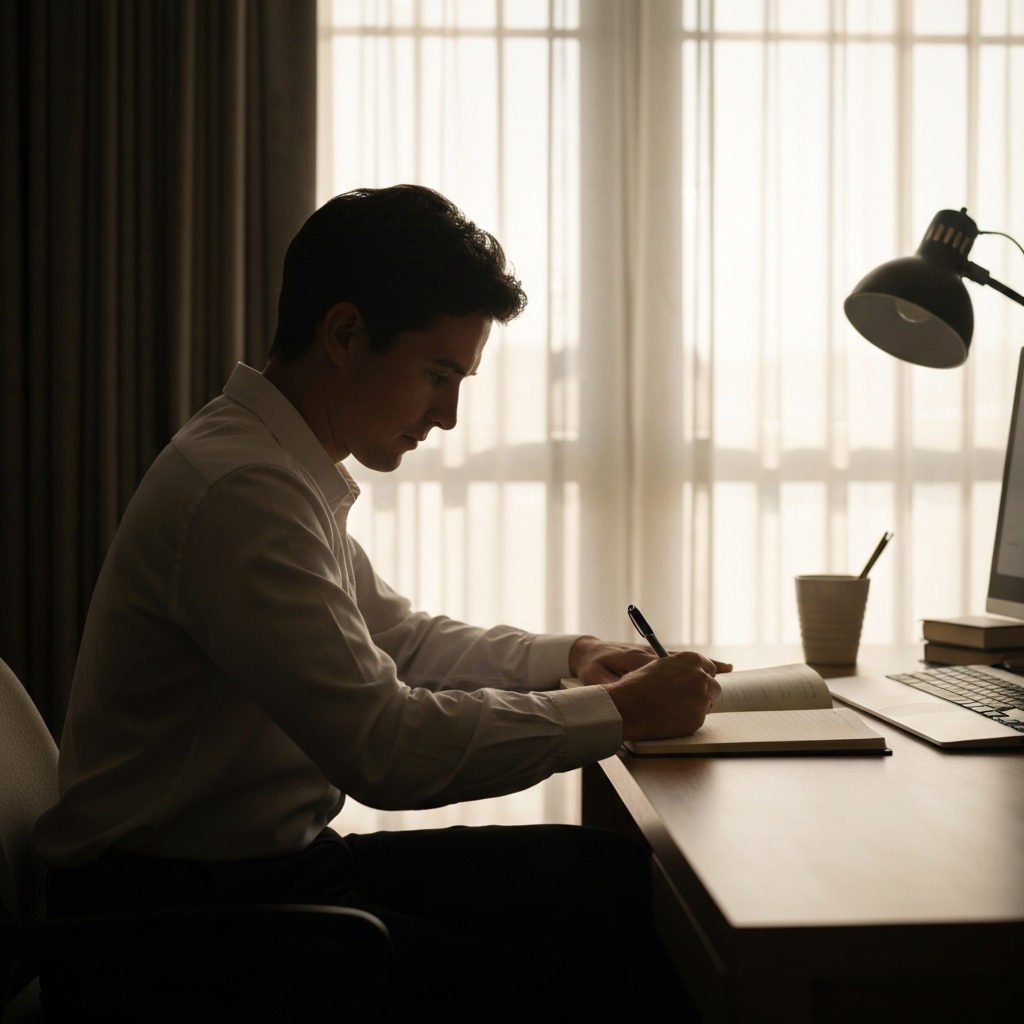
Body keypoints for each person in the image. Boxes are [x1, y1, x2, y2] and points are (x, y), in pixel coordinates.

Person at [34, 185, 728, 1020]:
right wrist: (619, 712)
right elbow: (384, 749)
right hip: (170, 931)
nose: (449, 416)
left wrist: (573, 657)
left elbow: (402, 641)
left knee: (610, 883)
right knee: (590, 955)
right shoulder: (243, 489)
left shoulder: (274, 466)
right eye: (438, 375)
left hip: (255, 876)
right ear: (344, 334)